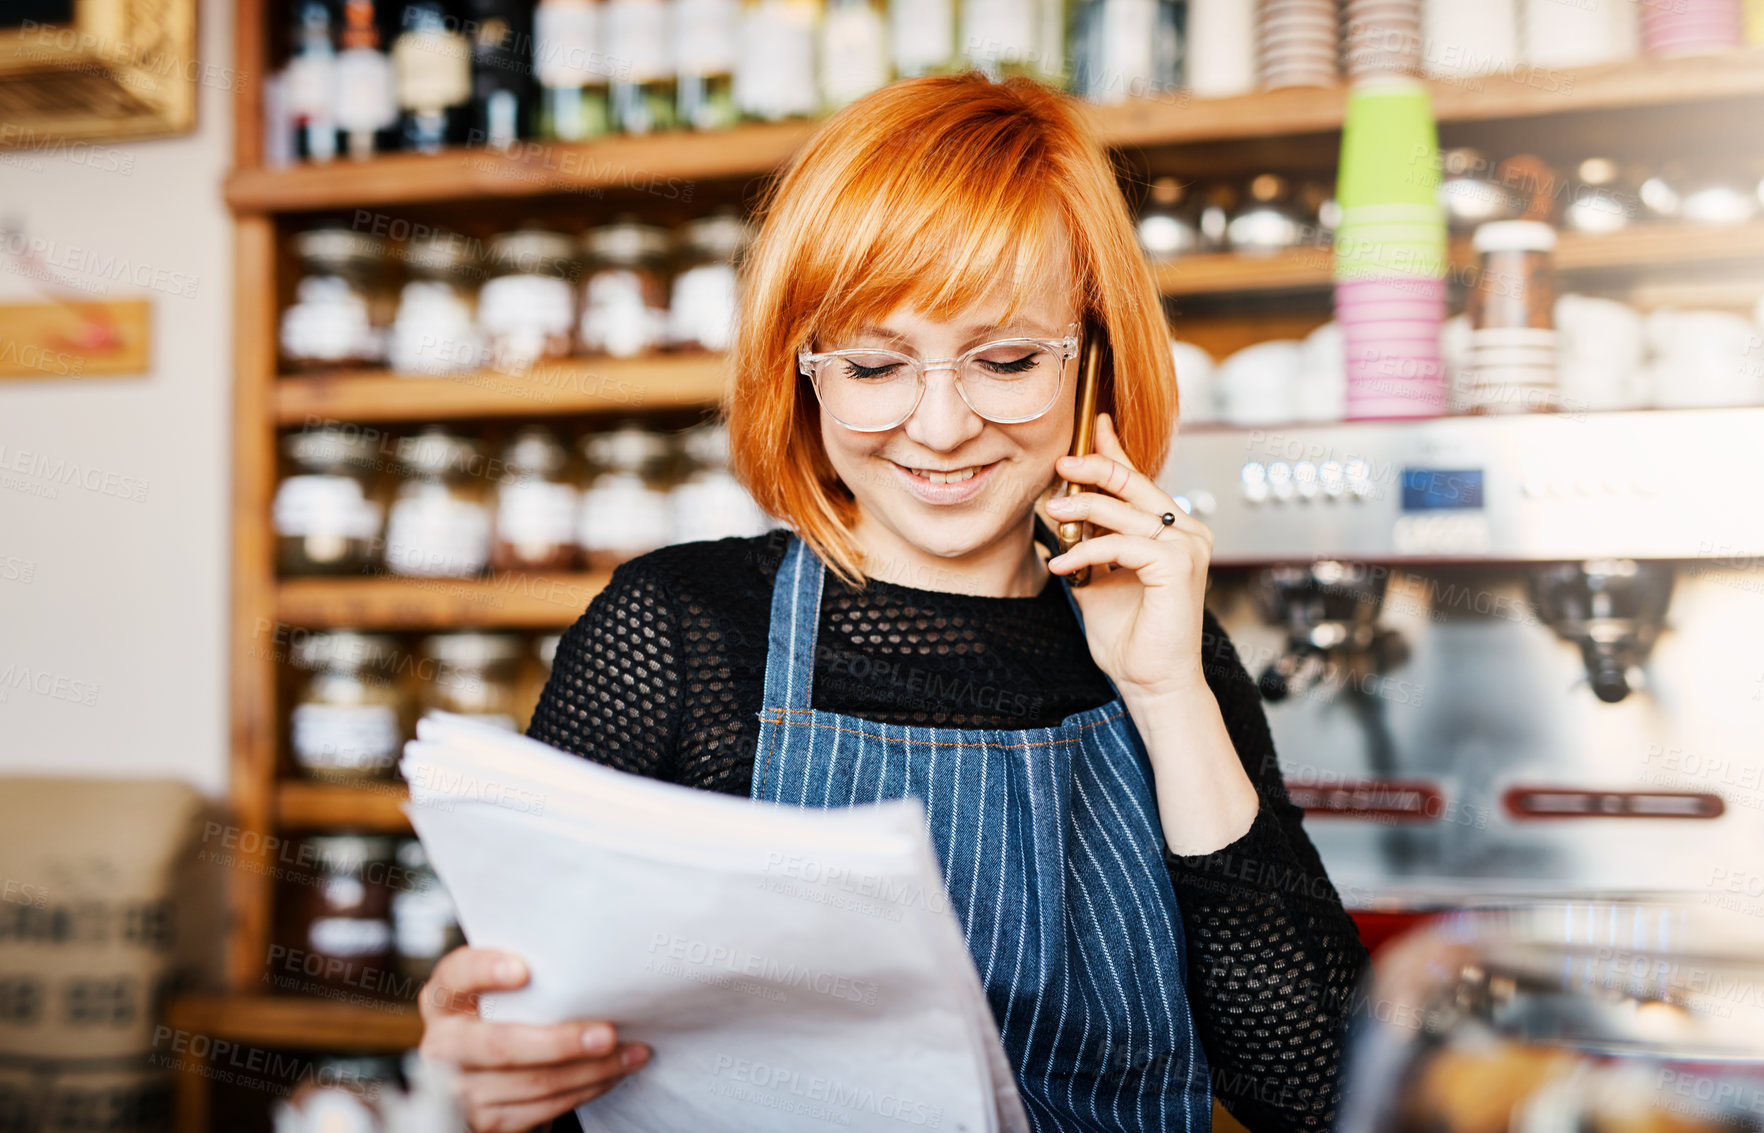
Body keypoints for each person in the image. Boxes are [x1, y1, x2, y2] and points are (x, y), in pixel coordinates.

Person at [417, 70, 1370, 1133]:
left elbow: (1318, 1091)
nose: (942, 423)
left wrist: (1166, 690)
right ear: (803, 372)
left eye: (1006, 359)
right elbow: (520, 1030)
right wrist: (483, 1060)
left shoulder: (1167, 642)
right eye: (875, 365)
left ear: (1093, 353)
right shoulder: (677, 631)